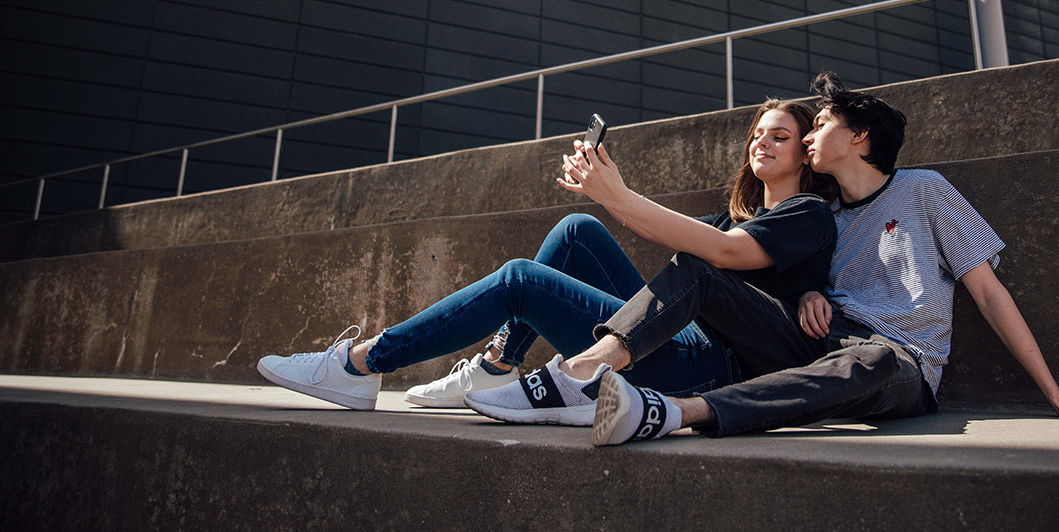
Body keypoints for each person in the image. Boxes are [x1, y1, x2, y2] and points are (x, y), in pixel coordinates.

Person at [477, 71, 1059, 445]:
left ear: (857, 139)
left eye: (820, 125)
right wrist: (804, 298)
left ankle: (667, 413)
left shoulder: (925, 191)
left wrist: (1056, 395)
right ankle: (585, 371)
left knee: (874, 359)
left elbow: (989, 292)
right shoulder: (822, 216)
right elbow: (781, 272)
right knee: (699, 266)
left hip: (896, 363)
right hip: (809, 343)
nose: (810, 132)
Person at [255, 98, 838, 421]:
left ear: (804, 154)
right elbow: (678, 238)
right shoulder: (730, 216)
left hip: (710, 367)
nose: (762, 142)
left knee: (521, 280)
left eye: (780, 136)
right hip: (673, 334)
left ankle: (361, 364)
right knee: (577, 229)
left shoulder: (806, 212)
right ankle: (500, 366)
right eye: (758, 133)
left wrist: (622, 195)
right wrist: (606, 195)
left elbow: (727, 256)